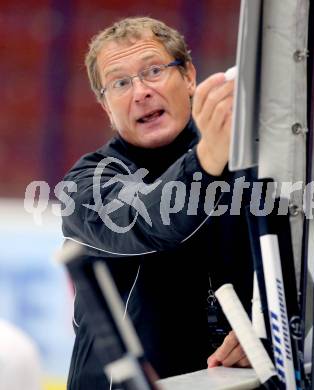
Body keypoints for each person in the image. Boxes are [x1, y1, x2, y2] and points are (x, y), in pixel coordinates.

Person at [62, 16, 254, 389]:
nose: (140, 92)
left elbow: (293, 284)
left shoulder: (250, 169)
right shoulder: (84, 185)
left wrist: (262, 332)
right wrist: (205, 162)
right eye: (119, 82)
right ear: (105, 106)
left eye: (153, 70)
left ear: (189, 77)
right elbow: (145, 220)